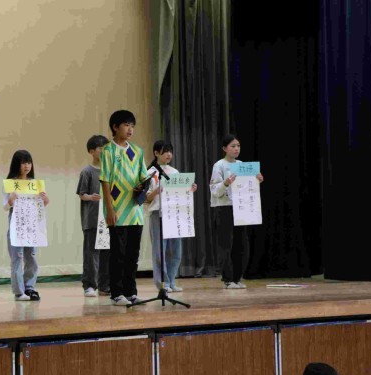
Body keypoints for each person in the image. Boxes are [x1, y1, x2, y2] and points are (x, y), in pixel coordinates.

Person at [99, 110, 148, 306]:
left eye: (133, 126)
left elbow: (143, 177)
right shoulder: (108, 151)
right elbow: (105, 181)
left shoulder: (137, 151)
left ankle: (131, 292)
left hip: (135, 211)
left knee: (132, 255)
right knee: (118, 254)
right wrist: (109, 209)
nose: (130, 129)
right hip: (117, 210)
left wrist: (142, 187)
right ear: (115, 127)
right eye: (126, 125)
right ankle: (116, 293)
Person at [209, 134, 263, 289]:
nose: (236, 149)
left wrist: (257, 180)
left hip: (240, 208)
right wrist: (225, 183)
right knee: (226, 244)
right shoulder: (219, 165)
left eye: (238, 146)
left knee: (241, 244)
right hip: (224, 208)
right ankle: (228, 279)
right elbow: (214, 190)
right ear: (224, 148)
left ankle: (237, 277)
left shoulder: (241, 165)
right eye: (233, 146)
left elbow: (247, 188)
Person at [144, 140, 197, 292]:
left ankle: (171, 281)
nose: (169, 154)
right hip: (158, 214)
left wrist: (190, 189)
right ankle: (163, 284)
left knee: (175, 251)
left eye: (170, 151)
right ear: (156, 153)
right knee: (159, 251)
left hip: (174, 214)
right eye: (165, 151)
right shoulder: (150, 172)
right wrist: (157, 191)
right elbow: (146, 198)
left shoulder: (174, 172)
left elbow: (180, 194)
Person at [4, 150, 49, 301]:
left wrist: (45, 200)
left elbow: (42, 205)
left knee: (32, 257)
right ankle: (19, 291)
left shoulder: (35, 183)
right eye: (23, 163)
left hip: (32, 227)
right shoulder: (10, 183)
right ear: (16, 164)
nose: (27, 166)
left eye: (29, 162)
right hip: (17, 227)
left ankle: (30, 287)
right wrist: (10, 200)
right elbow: (5, 207)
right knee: (17, 257)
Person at [76, 134, 111, 297]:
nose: (104, 152)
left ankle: (105, 285)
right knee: (91, 254)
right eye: (100, 149)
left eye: (106, 149)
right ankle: (89, 285)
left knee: (107, 254)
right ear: (91, 151)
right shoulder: (87, 172)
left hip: (107, 219)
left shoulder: (110, 171)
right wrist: (91, 197)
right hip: (92, 219)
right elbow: (82, 194)